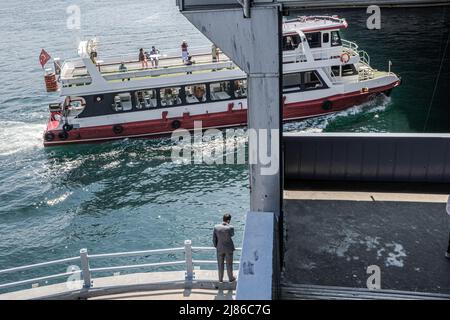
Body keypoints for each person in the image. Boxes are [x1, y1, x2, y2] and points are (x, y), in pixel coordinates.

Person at [213, 213, 236, 283]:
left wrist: (216, 246)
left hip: (219, 248)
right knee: (229, 264)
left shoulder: (216, 227)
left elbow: (214, 239)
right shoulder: (230, 227)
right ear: (228, 220)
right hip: (228, 248)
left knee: (220, 264)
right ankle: (231, 278)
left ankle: (220, 279)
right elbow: (232, 234)